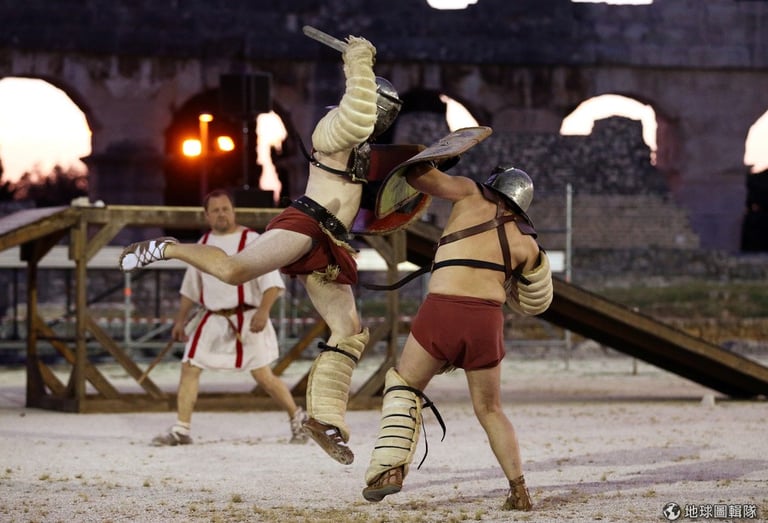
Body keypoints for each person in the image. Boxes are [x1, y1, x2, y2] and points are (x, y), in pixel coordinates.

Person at [119, 35, 403, 465]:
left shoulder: (361, 149)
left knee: (348, 332)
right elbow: (357, 113)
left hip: (331, 242)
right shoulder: (330, 129)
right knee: (233, 270)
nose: (380, 119)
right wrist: (358, 61)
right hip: (306, 222)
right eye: (381, 110)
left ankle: (324, 420)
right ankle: (170, 248)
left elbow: (396, 181)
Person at [361, 164, 554, 511]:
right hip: (486, 322)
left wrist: (431, 159)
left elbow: (419, 178)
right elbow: (532, 298)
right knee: (491, 410)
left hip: (443, 311)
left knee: (405, 387)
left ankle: (390, 471)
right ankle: (519, 491)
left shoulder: (469, 193)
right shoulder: (528, 243)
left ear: (494, 185)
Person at [150, 189, 307, 446]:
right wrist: (180, 320)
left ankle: (298, 418)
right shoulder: (202, 245)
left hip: (248, 318)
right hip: (212, 319)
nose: (221, 214)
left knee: (263, 377)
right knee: (189, 367)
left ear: (233, 211)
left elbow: (272, 282)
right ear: (207, 215)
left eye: (225, 209)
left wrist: (263, 311)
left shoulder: (252, 240)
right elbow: (191, 288)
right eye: (215, 210)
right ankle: (181, 429)